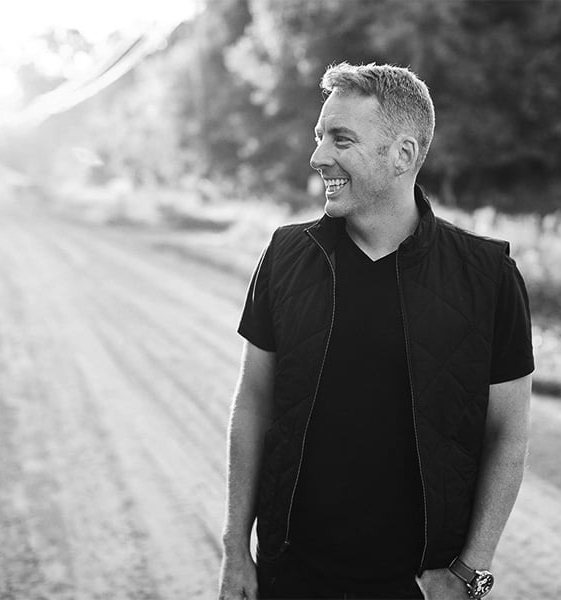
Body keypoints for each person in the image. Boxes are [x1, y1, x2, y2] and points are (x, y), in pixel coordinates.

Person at [218, 62, 534, 600]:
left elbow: (508, 434)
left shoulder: (489, 277)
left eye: (341, 139)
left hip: (414, 587)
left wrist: (468, 572)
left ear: (403, 154)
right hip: (290, 576)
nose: (318, 157)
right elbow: (253, 399)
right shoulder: (285, 255)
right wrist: (235, 551)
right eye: (319, 137)